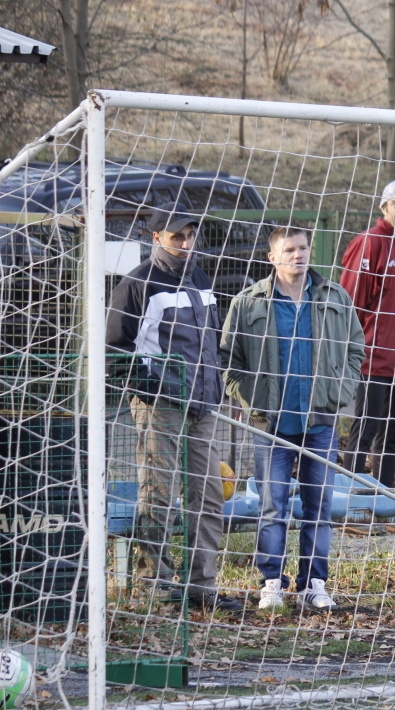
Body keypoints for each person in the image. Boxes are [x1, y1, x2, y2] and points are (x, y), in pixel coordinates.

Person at [105, 202, 242, 612]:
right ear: (156, 238)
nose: (185, 243)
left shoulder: (200, 277)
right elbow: (115, 350)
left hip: (203, 406)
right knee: (160, 494)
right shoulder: (137, 284)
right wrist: (154, 389)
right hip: (160, 405)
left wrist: (217, 388)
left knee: (209, 495)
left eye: (190, 235)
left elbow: (211, 342)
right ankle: (156, 585)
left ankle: (202, 587)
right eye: (176, 236)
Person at [220, 226, 365, 611]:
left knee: (320, 505)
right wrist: (250, 399)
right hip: (272, 424)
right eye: (289, 249)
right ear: (273, 257)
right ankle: (272, 582)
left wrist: (340, 391)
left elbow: (355, 348)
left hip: (321, 420)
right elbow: (227, 360)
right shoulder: (248, 304)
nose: (298, 255)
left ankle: (314, 582)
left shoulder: (334, 297)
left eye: (303, 248)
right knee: (273, 505)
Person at [340, 179, 395, 488]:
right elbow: (351, 303)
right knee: (365, 430)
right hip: (372, 360)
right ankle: (353, 498)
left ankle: (383, 500)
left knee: (392, 437)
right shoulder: (370, 242)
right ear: (384, 207)